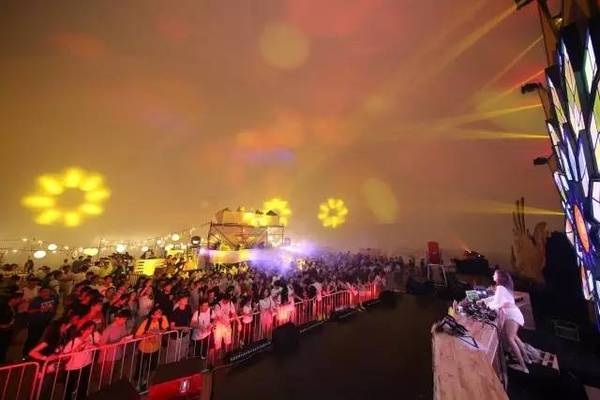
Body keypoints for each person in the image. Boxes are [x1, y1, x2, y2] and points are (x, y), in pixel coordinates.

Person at [481, 269, 528, 373]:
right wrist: (485, 301)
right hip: (514, 313)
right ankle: (526, 359)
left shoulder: (500, 288)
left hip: (511, 315)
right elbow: (495, 299)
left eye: (495, 274)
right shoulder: (504, 288)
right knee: (514, 337)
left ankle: (524, 367)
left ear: (500, 277)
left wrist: (486, 304)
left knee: (510, 339)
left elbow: (496, 304)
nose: (493, 275)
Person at [62, 321, 100, 400]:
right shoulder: (73, 341)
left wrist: (94, 346)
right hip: (73, 368)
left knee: (83, 386)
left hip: (86, 364)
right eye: (89, 329)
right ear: (82, 330)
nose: (91, 331)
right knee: (69, 388)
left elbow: (96, 345)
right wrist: (76, 350)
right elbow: (63, 356)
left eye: (92, 329)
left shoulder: (90, 338)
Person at [134, 306, 169, 390]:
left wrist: (158, 331)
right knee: (140, 367)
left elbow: (165, 329)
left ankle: (146, 381)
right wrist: (147, 335)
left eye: (160, 312)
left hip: (155, 348)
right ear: (152, 315)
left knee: (151, 367)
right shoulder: (146, 322)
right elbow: (136, 335)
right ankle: (138, 383)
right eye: (157, 312)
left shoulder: (163, 319)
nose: (160, 314)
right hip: (144, 349)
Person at [98, 310, 132, 385]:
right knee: (106, 375)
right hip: (107, 356)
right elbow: (102, 345)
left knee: (114, 372)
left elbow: (124, 335)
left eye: (125, 319)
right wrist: (118, 341)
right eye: (123, 319)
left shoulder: (123, 325)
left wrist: (127, 338)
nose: (124, 321)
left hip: (118, 353)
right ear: (117, 318)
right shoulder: (108, 329)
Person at [23, 287, 57, 358]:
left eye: (48, 292)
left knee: (37, 338)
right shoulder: (35, 300)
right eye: (44, 291)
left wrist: (50, 311)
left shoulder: (52, 300)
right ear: (40, 293)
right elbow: (29, 311)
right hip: (34, 322)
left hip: (44, 322)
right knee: (31, 338)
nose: (46, 293)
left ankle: (32, 353)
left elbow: (53, 311)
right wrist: (40, 309)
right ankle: (25, 354)